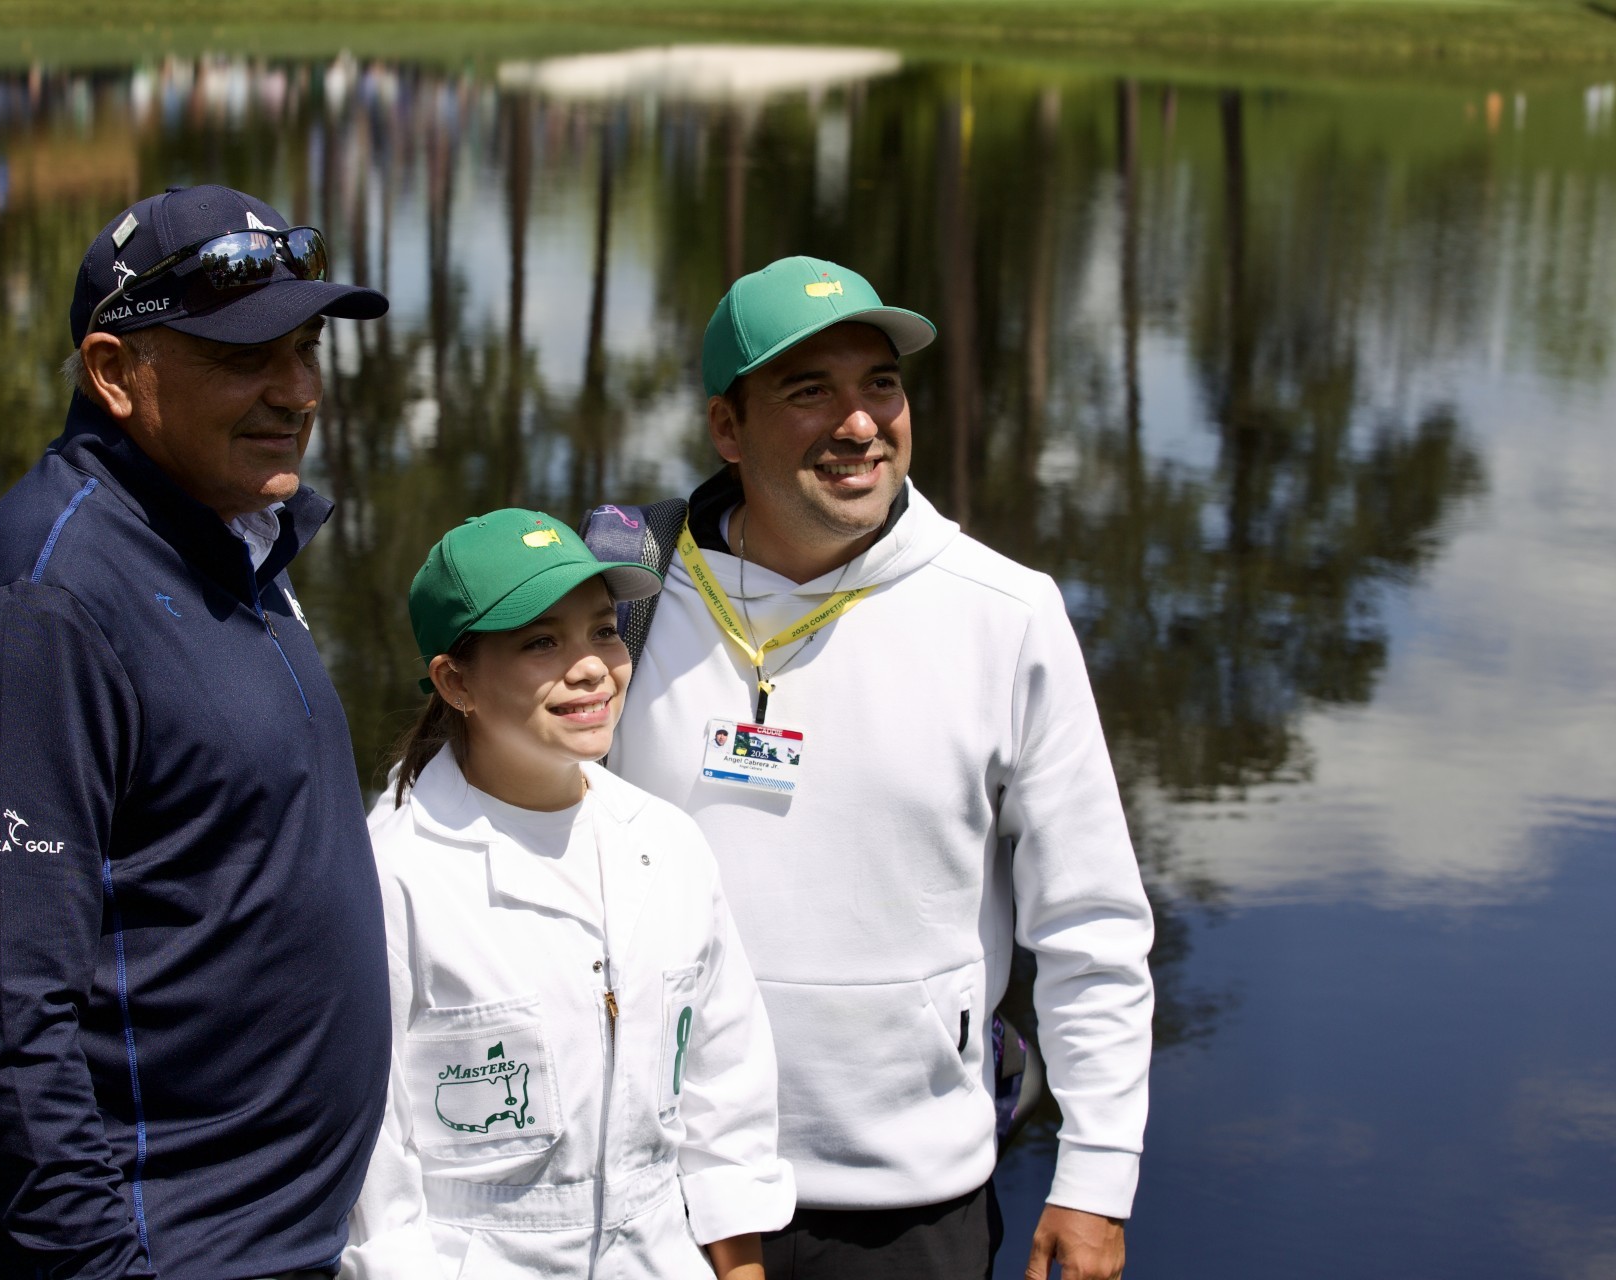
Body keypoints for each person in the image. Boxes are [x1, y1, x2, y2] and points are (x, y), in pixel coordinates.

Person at [605, 257, 1155, 1280]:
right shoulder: (619, 601)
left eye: (881, 385)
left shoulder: (1006, 614)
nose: (859, 423)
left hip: (913, 1201)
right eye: (809, 390)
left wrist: (1097, 1172)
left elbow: (1091, 921)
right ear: (728, 428)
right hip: (661, 1187)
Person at [0, 185, 393, 1280]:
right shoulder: (39, 611)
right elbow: (6, 1030)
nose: (299, 389)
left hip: (280, 1244)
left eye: (306, 347)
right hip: (163, 1255)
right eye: (246, 354)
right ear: (115, 373)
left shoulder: (222, 538)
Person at [342, 510, 795, 1279]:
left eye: (603, 631)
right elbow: (376, 1169)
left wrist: (740, 1265)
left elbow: (727, 1084)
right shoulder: (392, 876)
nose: (590, 668)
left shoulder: (668, 845)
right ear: (455, 681)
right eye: (540, 643)